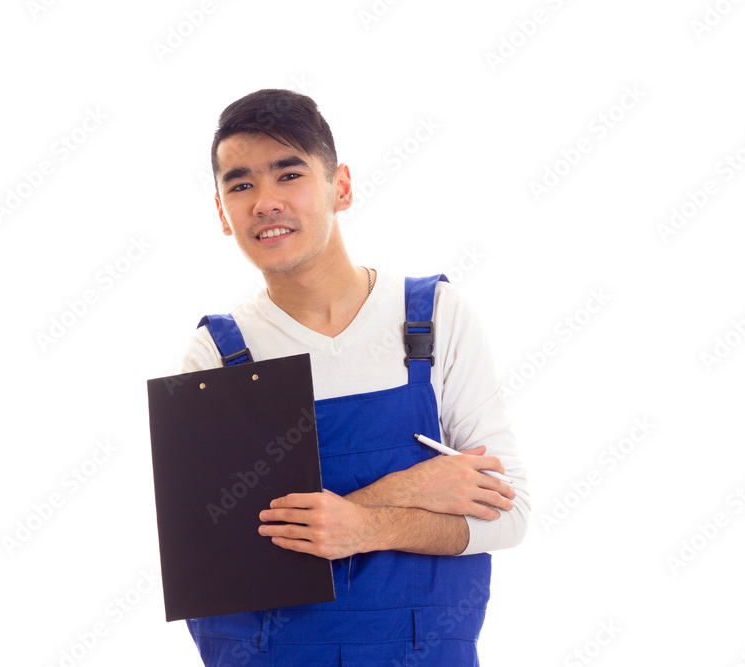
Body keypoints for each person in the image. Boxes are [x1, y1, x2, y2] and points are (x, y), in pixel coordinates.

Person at [177, 88, 530, 666]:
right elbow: (215, 564)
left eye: (288, 174)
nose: (264, 201)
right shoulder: (219, 355)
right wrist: (412, 489)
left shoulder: (434, 319)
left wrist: (364, 526)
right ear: (222, 212)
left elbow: (509, 513)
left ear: (340, 186)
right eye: (240, 185)